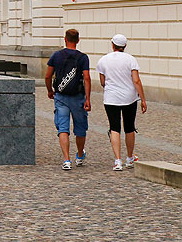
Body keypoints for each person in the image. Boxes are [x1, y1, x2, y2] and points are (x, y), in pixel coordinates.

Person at [97, 33, 147, 171]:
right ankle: (129, 158)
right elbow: (136, 80)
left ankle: (117, 161)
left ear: (112, 44)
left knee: (114, 128)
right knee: (130, 127)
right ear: (125, 46)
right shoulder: (131, 59)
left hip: (111, 98)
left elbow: (102, 82)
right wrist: (143, 99)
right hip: (129, 98)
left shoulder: (103, 60)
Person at [45, 28, 91, 170]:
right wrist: (88, 99)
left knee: (63, 128)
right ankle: (79, 155)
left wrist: (50, 91)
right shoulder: (83, 58)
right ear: (78, 40)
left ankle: (66, 160)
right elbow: (87, 78)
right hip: (78, 97)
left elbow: (47, 76)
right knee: (80, 128)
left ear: (65, 39)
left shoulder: (56, 56)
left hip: (61, 96)